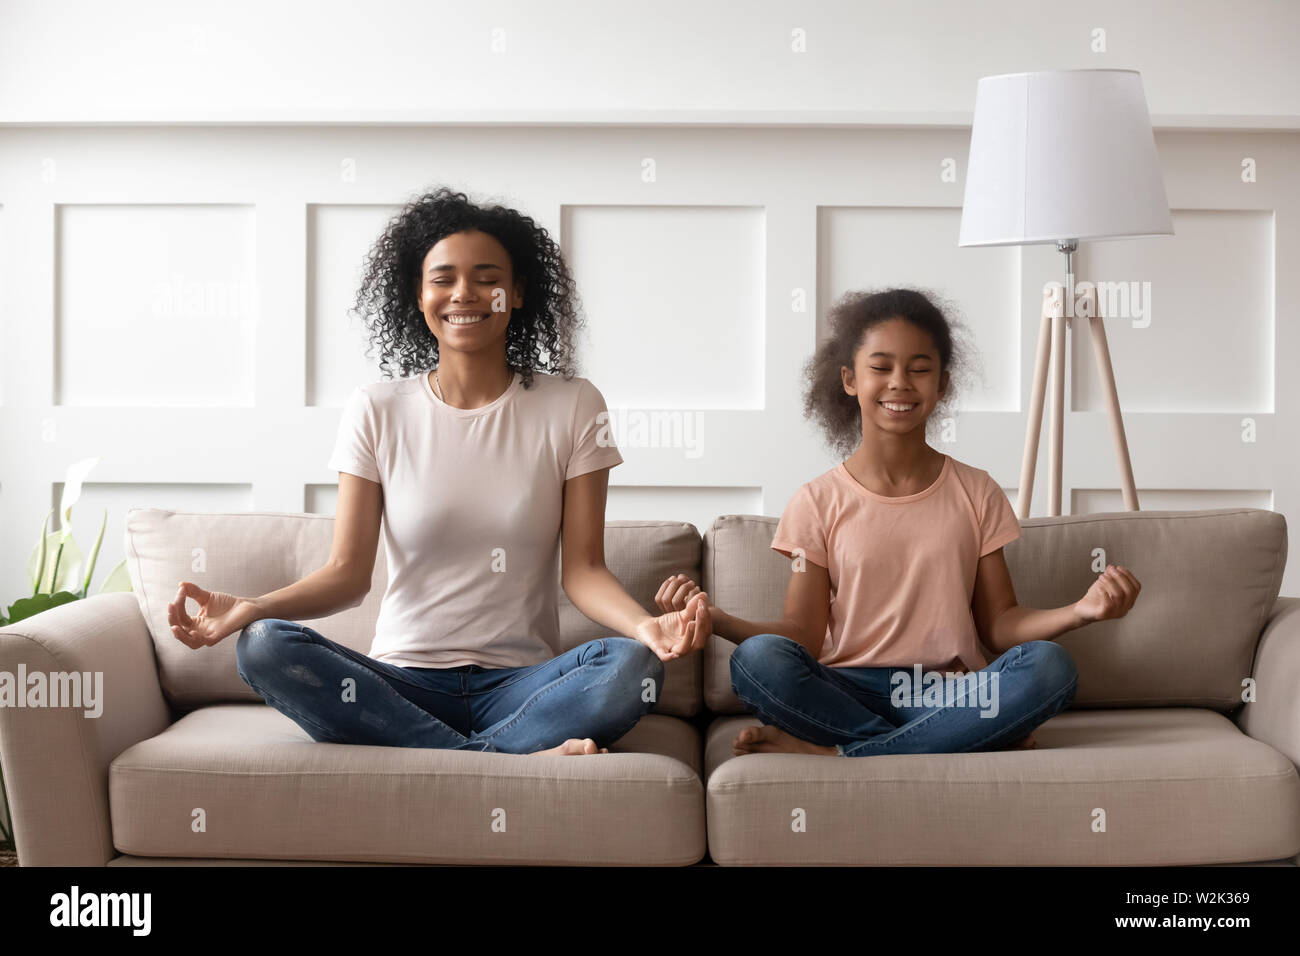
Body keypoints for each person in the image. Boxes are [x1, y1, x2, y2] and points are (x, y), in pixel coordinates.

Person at [166, 186, 711, 756]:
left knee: (631, 664)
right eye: (443, 278)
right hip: (400, 683)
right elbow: (347, 575)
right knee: (262, 646)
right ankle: (505, 758)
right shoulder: (377, 409)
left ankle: (448, 757)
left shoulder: (573, 405)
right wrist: (255, 607)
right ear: (419, 294)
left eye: (486, 277)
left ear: (517, 292)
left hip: (521, 684)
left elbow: (584, 570)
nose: (464, 294)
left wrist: (644, 626)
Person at [655, 287, 1140, 757]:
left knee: (1049, 667)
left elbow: (999, 627)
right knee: (757, 662)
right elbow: (802, 635)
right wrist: (717, 621)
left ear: (942, 384)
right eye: (880, 367)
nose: (900, 383)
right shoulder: (815, 501)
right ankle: (952, 741)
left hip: (948, 691)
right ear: (850, 380)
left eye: (920, 369)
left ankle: (842, 750)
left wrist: (1081, 611)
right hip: (846, 688)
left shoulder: (976, 490)